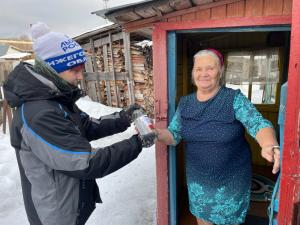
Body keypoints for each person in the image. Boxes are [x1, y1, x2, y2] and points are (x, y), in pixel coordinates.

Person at [3, 22, 154, 225]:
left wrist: (123, 117)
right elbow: (86, 162)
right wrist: (137, 143)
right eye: (74, 70)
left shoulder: (55, 98)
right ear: (52, 69)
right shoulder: (39, 114)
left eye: (82, 69)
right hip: (56, 215)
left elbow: (86, 126)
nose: (80, 76)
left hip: (70, 204)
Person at [155, 49, 280, 225]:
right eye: (198, 69)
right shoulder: (185, 103)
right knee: (203, 221)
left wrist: (269, 144)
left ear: (220, 71)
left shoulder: (233, 99)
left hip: (230, 185)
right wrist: (157, 134)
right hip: (199, 183)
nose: (203, 74)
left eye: (210, 68)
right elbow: (174, 135)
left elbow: (258, 124)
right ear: (193, 72)